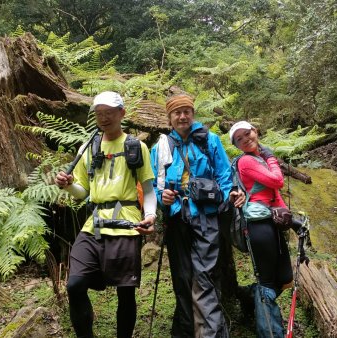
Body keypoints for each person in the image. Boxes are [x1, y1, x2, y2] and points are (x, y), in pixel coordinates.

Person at [55, 91, 156, 338]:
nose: (104, 118)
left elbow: (149, 190)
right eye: (99, 113)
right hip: (95, 224)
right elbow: (81, 193)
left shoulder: (136, 146)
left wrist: (151, 215)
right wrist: (67, 185)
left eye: (109, 112)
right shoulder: (89, 147)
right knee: (75, 284)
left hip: (127, 221)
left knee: (125, 290)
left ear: (121, 113)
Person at [150, 94, 242, 338]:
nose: (182, 116)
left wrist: (224, 198)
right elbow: (153, 187)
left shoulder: (209, 140)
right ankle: (185, 329)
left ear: (193, 113)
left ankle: (210, 333)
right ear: (169, 118)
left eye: (186, 111)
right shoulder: (160, 148)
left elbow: (224, 174)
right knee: (181, 277)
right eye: (177, 113)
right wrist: (163, 198)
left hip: (205, 216)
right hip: (177, 218)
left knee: (204, 275)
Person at [229, 121, 293, 338]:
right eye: (240, 139)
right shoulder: (247, 161)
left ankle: (250, 296)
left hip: (271, 222)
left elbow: (275, 195)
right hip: (258, 226)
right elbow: (277, 181)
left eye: (248, 133)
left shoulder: (259, 158)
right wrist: (272, 158)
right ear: (237, 145)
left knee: (285, 278)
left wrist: (289, 218)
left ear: (255, 131)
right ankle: (271, 332)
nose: (246, 139)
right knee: (267, 281)